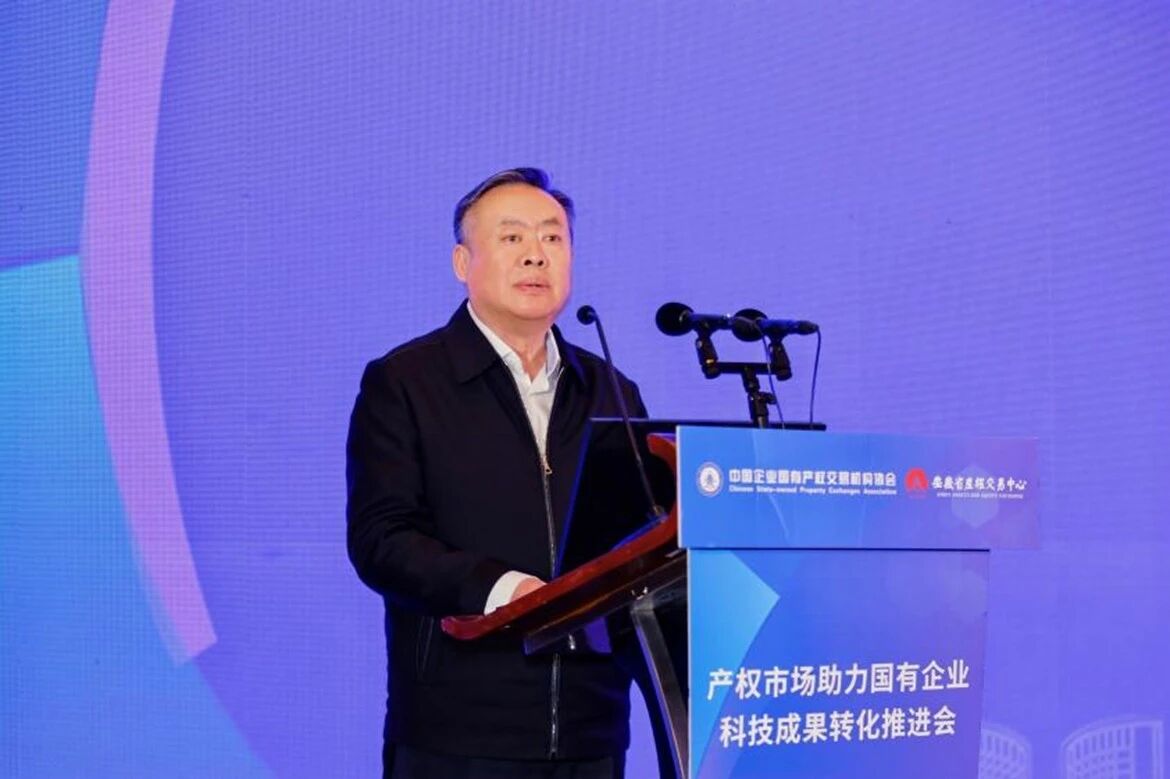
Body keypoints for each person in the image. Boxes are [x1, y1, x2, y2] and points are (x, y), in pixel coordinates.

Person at [346, 168, 652, 778]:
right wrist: (504, 590)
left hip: (592, 730)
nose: (536, 255)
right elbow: (382, 540)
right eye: (512, 238)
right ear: (464, 262)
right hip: (459, 732)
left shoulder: (612, 390)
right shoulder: (405, 382)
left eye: (552, 238)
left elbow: (640, 539)